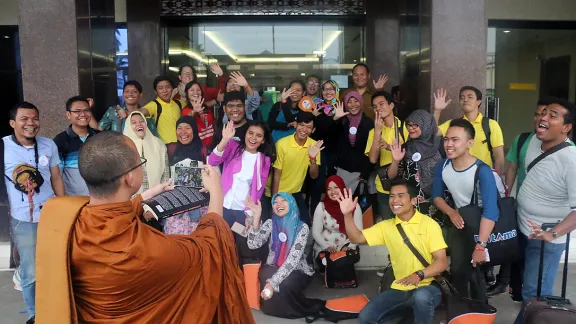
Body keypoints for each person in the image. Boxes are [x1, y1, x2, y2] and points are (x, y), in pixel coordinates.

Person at [35, 131, 255, 323]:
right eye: (140, 161)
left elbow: (112, 214)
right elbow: (209, 245)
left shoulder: (61, 216)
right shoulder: (147, 251)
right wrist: (216, 191)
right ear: (130, 178)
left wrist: (152, 192)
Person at [341, 179, 448, 324]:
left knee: (421, 298)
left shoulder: (429, 225)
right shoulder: (387, 227)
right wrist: (347, 215)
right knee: (366, 317)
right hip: (400, 288)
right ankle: (408, 314)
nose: (394, 200)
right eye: (391, 196)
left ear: (414, 200)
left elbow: (441, 262)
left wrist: (419, 275)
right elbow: (357, 238)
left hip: (428, 287)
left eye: (400, 195)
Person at [513, 99, 576, 324]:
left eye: (553, 115)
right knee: (525, 289)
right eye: (544, 113)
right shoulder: (532, 141)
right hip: (522, 227)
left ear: (566, 127)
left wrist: (554, 233)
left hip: (546, 239)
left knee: (535, 296)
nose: (544, 118)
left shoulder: (571, 160)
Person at [3, 102, 65, 323]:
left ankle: (57, 309)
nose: (31, 124)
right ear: (13, 123)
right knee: (30, 270)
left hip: (51, 215)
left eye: (35, 118)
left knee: (57, 265)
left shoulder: (48, 145)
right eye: (24, 119)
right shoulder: (3, 148)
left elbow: (56, 177)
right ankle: (34, 315)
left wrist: (63, 206)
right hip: (24, 219)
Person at [431, 118, 499, 302]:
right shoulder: (443, 166)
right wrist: (451, 212)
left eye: (455, 140)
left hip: (482, 227)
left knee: (476, 274)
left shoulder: (482, 171)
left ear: (470, 143)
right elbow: (436, 196)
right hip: (461, 224)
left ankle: (479, 311)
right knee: (459, 271)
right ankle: (459, 310)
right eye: (446, 139)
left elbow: (491, 211)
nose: (449, 144)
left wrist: (481, 245)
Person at [489, 99, 550, 299]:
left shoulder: (566, 148)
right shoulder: (523, 140)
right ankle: (510, 286)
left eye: (547, 114)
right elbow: (512, 167)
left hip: (547, 216)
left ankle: (534, 299)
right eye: (538, 113)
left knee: (536, 260)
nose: (541, 118)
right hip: (522, 206)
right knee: (514, 248)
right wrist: (506, 195)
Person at [245, 193, 325, 319]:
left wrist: (272, 283)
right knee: (265, 274)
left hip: (296, 268)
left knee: (286, 283)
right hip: (274, 264)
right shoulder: (270, 223)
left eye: (283, 201)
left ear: (292, 204)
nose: (279, 204)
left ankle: (291, 310)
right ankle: (271, 308)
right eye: (275, 202)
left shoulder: (301, 227)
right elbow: (253, 244)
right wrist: (256, 217)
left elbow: (292, 261)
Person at [208, 120, 275, 264]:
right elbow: (213, 161)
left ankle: (239, 280)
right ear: (245, 134)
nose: (253, 138)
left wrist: (249, 214)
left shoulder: (264, 160)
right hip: (222, 208)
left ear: (263, 140)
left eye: (258, 136)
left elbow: (258, 189)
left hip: (241, 213)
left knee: (241, 247)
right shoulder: (233, 146)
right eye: (250, 133)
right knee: (219, 246)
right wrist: (225, 139)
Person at [388, 109, 444, 224]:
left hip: (438, 201)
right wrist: (395, 161)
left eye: (416, 125)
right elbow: (391, 176)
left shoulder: (440, 144)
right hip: (413, 203)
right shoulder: (406, 148)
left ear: (426, 125)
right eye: (409, 125)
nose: (411, 128)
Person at [433, 87, 505, 175]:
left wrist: (496, 181)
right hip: (456, 175)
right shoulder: (453, 124)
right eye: (462, 98)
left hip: (481, 177)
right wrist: (438, 110)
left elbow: (499, 158)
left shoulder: (491, 125)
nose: (465, 100)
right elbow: (432, 132)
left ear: (478, 102)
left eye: (470, 97)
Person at [272, 111, 324, 225]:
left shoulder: (314, 146)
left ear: (313, 130)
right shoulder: (282, 144)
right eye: (301, 125)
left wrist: (313, 158)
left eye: (309, 127)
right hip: (278, 191)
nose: (304, 129)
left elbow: (314, 175)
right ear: (296, 125)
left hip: (295, 192)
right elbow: (276, 174)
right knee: (278, 224)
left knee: (304, 224)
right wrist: (274, 200)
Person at [365, 90, 409, 220]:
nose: (378, 108)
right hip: (384, 186)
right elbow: (372, 159)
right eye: (375, 106)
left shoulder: (404, 127)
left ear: (391, 105)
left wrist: (390, 148)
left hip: (404, 185)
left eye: (381, 104)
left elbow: (413, 153)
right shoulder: (373, 131)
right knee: (388, 224)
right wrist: (378, 132)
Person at [53, 96, 99, 196]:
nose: (83, 114)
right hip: (74, 201)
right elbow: (57, 176)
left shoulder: (99, 137)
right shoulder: (61, 140)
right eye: (77, 111)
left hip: (100, 201)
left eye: (87, 110)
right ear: (68, 115)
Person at [308, 80, 341, 213]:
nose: (328, 92)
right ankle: (314, 213)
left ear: (337, 91)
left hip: (335, 152)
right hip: (320, 150)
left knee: (334, 183)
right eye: (325, 89)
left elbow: (338, 131)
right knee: (318, 183)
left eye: (332, 89)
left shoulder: (340, 107)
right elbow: (318, 131)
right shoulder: (317, 108)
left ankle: (333, 212)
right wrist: (316, 117)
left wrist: (334, 119)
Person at [312, 175, 363, 259]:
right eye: (329, 189)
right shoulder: (322, 206)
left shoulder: (353, 205)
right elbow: (315, 232)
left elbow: (359, 231)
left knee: (344, 262)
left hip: (347, 242)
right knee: (328, 262)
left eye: (336, 187)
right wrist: (326, 246)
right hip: (326, 243)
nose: (332, 192)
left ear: (342, 187)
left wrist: (350, 246)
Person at [334, 91, 374, 191]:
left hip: (360, 172)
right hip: (343, 169)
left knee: (358, 203)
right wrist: (335, 119)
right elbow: (331, 138)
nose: (353, 105)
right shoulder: (342, 120)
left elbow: (372, 149)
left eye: (356, 101)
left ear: (361, 102)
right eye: (349, 102)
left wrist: (366, 173)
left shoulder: (369, 123)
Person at [123, 111, 170, 194]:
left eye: (142, 121)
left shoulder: (159, 144)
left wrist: (163, 192)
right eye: (134, 122)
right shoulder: (122, 147)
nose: (139, 124)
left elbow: (165, 173)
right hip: (132, 199)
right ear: (128, 126)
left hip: (156, 196)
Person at [140, 76, 183, 143]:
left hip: (181, 145)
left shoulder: (179, 103)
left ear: (172, 88)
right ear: (156, 92)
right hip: (164, 147)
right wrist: (127, 113)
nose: (165, 91)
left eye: (167, 87)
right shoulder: (155, 105)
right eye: (160, 88)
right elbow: (142, 111)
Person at [181, 80, 216, 149]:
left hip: (211, 146)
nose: (195, 92)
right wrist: (194, 111)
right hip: (197, 149)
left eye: (198, 90)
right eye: (192, 90)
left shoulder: (206, 108)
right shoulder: (186, 110)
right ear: (187, 93)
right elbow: (187, 119)